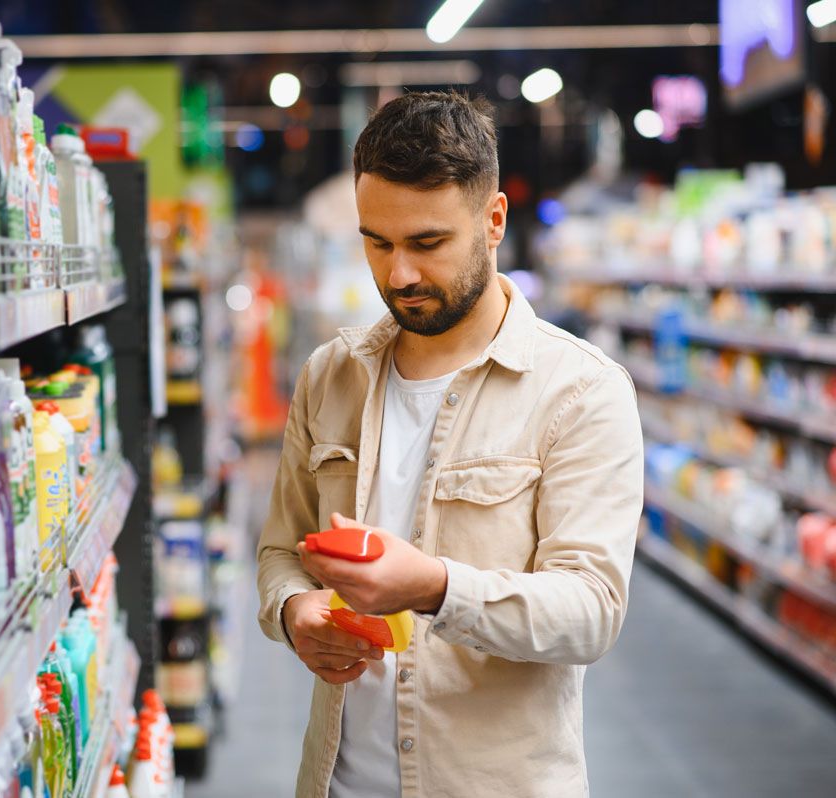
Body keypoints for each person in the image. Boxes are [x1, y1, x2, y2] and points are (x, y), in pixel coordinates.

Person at [255, 91, 643, 798]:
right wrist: (294, 611)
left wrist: (435, 587)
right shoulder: (328, 376)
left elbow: (591, 611)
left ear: (493, 221)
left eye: (427, 243)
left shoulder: (581, 391)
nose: (398, 274)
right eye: (378, 243)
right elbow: (282, 549)